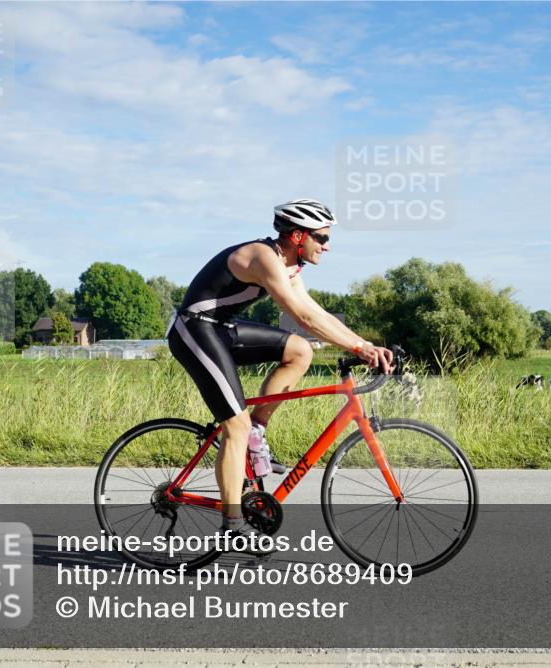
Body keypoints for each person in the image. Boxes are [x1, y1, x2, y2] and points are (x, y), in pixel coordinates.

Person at [166, 199, 395, 551]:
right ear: (298, 235)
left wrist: (364, 344)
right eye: (321, 237)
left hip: (221, 327)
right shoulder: (263, 258)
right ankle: (232, 524)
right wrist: (359, 350)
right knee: (234, 426)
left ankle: (256, 433)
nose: (327, 245)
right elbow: (303, 317)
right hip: (193, 330)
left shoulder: (290, 266)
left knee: (300, 351)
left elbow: (316, 312)